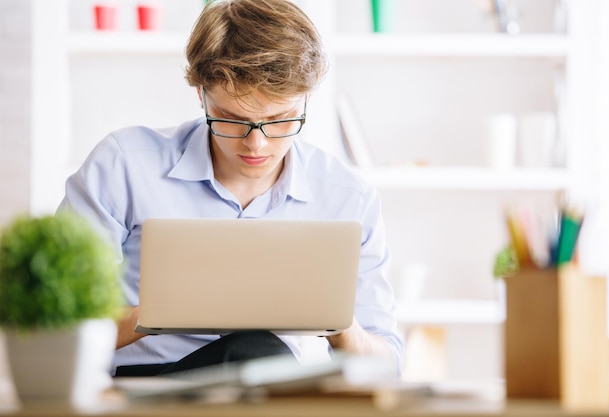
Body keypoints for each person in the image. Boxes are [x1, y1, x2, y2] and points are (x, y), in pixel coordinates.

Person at [59, 0, 402, 377]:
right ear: (201, 95)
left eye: (279, 119)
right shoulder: (123, 165)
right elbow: (57, 326)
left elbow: (387, 366)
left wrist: (341, 327)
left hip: (268, 387)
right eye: (232, 120)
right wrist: (159, 312)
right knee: (257, 352)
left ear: (305, 99)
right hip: (143, 390)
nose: (256, 144)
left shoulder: (347, 196)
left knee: (262, 355)